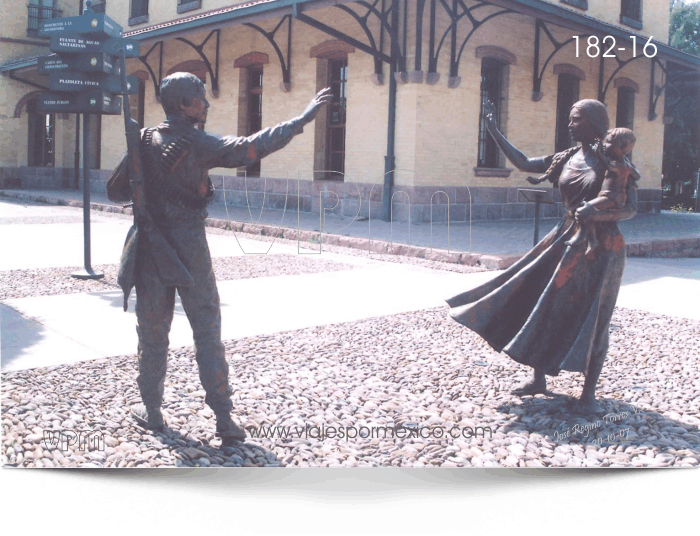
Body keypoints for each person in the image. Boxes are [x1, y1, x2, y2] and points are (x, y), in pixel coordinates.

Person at [128, 72, 331, 444]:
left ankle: (152, 409)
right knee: (207, 332)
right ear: (183, 105)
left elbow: (118, 189)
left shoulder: (142, 140)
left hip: (151, 247)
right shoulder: (198, 142)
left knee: (153, 332)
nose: (205, 104)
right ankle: (224, 418)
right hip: (189, 246)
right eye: (199, 99)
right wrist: (298, 123)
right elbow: (248, 148)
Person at [446, 99, 638, 414]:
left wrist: (595, 215)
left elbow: (630, 208)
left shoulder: (614, 161)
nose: (569, 124)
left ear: (592, 122)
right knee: (540, 301)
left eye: (576, 119)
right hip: (565, 237)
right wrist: (494, 132)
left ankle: (588, 394)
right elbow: (523, 163)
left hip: (602, 246)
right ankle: (538, 379)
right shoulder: (567, 157)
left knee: (595, 318)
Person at [565, 127, 637, 254]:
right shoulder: (627, 165)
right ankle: (591, 240)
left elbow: (632, 209)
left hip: (612, 197)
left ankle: (584, 237)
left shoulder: (619, 164)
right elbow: (637, 175)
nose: (605, 145)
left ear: (621, 147)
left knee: (585, 210)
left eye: (609, 142)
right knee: (586, 210)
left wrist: (598, 152)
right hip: (607, 196)